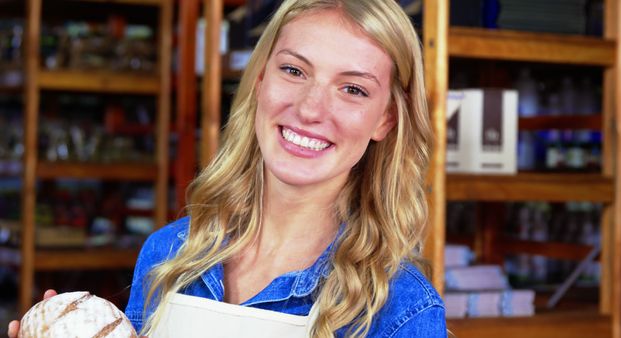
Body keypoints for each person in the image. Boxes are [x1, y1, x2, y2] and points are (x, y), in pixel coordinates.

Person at [9, 0, 446, 337]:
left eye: (353, 89)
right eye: (294, 70)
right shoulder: (169, 256)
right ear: (260, 81)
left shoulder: (401, 307)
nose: (311, 108)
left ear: (386, 119)